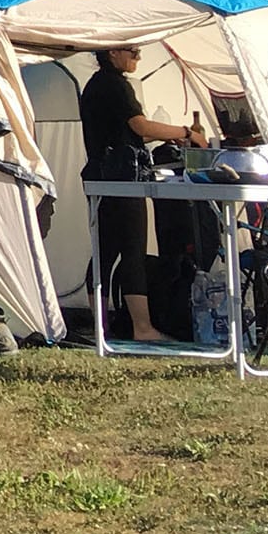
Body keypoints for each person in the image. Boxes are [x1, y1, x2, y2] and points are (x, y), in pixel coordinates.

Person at [79, 44, 208, 343]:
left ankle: (100, 325)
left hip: (100, 176)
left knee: (104, 250)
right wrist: (187, 133)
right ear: (113, 53)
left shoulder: (96, 85)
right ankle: (143, 328)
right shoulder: (116, 85)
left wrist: (176, 134)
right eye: (133, 51)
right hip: (122, 178)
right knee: (133, 250)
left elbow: (137, 133)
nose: (138, 57)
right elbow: (139, 125)